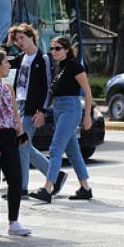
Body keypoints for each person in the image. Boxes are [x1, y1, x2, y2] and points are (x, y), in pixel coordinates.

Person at [29, 37, 94, 203]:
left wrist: (87, 116)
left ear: (67, 49)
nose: (54, 51)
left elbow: (87, 92)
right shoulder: (57, 66)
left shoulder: (74, 66)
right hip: (58, 108)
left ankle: (48, 188)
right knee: (73, 151)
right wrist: (42, 110)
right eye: (52, 48)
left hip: (71, 108)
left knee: (55, 147)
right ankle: (85, 188)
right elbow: (51, 92)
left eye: (57, 48)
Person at [8, 24, 66, 198]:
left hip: (31, 108)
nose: (19, 43)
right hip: (18, 105)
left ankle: (22, 188)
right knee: (25, 145)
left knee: (22, 146)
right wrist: (6, 43)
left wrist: (42, 110)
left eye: (21, 39)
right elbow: (1, 61)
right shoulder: (21, 57)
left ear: (31, 37)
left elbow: (48, 87)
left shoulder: (43, 59)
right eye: (16, 40)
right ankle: (55, 175)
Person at [0, 50, 32, 237]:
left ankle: (14, 221)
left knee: (15, 178)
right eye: (6, 62)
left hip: (9, 135)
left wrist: (20, 132)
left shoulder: (8, 87)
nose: (9, 66)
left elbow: (14, 112)